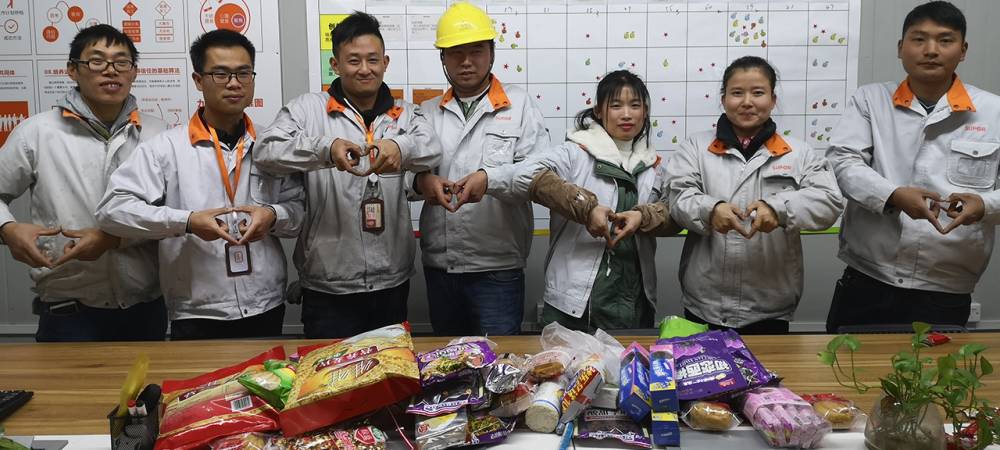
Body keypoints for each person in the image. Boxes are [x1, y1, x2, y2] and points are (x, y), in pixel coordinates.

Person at [96, 30, 304, 340]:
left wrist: (273, 216)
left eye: (243, 73)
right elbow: (112, 211)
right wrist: (188, 222)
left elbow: (299, 210)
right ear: (198, 79)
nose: (234, 83)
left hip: (265, 304)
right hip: (198, 309)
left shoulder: (271, 144)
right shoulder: (167, 147)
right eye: (220, 74)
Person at [255, 12, 441, 339]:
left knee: (388, 379)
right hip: (328, 286)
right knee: (328, 384)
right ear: (336, 64)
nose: (364, 69)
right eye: (353, 60)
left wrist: (400, 146)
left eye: (372, 59)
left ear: (385, 62)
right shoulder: (307, 110)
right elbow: (267, 150)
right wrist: (326, 149)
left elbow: (432, 148)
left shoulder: (406, 113)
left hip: (390, 282)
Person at [825, 1, 1000, 333]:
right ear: (900, 48)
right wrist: (893, 195)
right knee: (847, 375)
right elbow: (842, 162)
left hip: (946, 287)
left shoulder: (994, 111)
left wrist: (984, 205)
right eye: (919, 39)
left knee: (935, 382)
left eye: (945, 40)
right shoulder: (870, 100)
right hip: (867, 278)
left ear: (962, 50)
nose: (931, 50)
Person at [462, 70, 678, 332]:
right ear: (599, 111)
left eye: (635, 105)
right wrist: (587, 208)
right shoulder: (574, 152)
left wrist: (643, 216)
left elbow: (673, 214)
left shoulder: (654, 166)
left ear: (645, 111)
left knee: (627, 370)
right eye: (616, 105)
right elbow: (526, 174)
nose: (627, 114)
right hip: (573, 301)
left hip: (633, 299)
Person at [0, 24, 167, 342]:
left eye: (121, 61)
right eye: (97, 61)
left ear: (133, 72)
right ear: (72, 70)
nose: (110, 71)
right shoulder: (38, 132)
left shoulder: (158, 134)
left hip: (146, 310)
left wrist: (114, 239)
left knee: (147, 393)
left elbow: (174, 216)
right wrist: (7, 229)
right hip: (67, 315)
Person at [665, 56, 843, 335]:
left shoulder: (799, 153)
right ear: (723, 100)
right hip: (705, 304)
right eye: (737, 93)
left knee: (768, 380)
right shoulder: (695, 148)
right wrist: (711, 210)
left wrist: (779, 208)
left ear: (773, 100)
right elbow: (677, 197)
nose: (747, 102)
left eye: (758, 93)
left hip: (770, 307)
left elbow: (829, 201)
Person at [414, 2, 550, 336]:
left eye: (476, 51)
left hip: (498, 269)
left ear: (491, 53)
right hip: (441, 268)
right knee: (446, 368)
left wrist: (489, 180)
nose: (466, 61)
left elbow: (539, 173)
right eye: (455, 52)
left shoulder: (520, 106)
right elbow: (401, 174)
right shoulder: (426, 112)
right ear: (443, 58)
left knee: (498, 366)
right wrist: (422, 182)